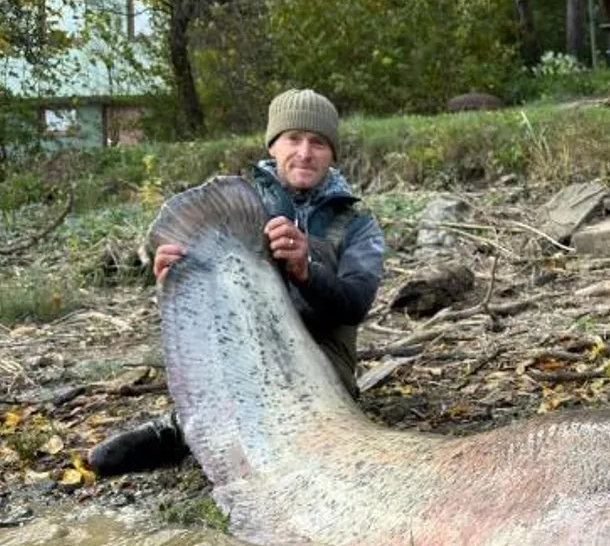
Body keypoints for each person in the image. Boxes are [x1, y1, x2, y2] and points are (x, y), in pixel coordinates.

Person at [87, 88, 386, 477]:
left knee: (303, 431)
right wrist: (172, 280)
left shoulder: (358, 225)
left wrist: (307, 269)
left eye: (318, 143)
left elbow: (357, 301)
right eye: (293, 139)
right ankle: (182, 427)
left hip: (322, 364)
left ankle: (197, 432)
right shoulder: (234, 208)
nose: (305, 152)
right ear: (273, 146)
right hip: (241, 345)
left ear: (332, 154)